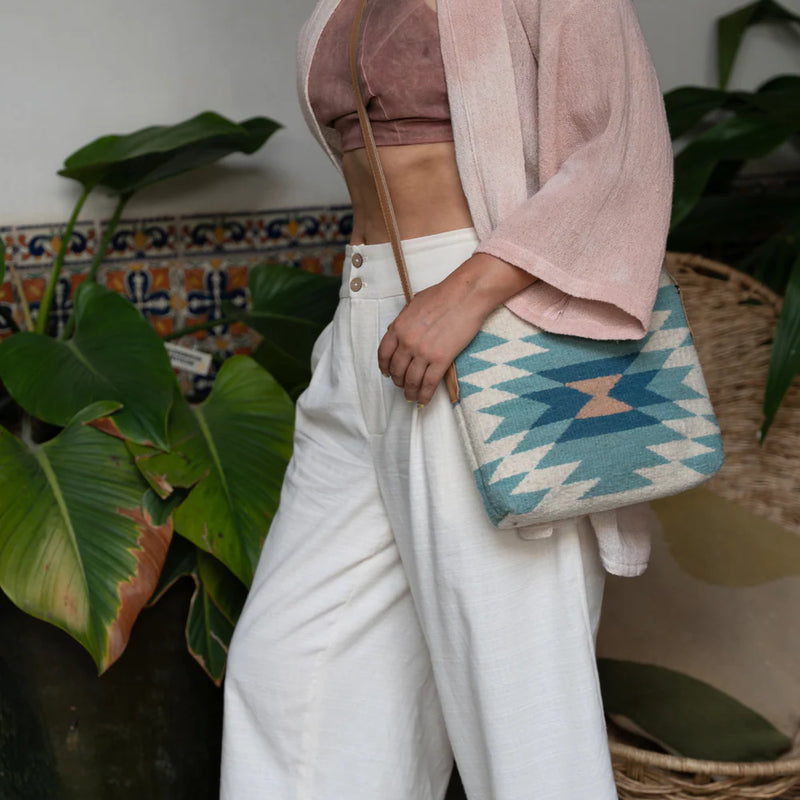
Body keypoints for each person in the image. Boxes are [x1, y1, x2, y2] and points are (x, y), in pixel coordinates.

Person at [220, 0, 673, 797]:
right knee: (292, 674)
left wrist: (465, 292)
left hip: (487, 323)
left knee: (517, 700)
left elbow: (621, 151)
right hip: (364, 328)